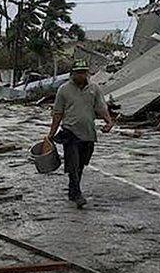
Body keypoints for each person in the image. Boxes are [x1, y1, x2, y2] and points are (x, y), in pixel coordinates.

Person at [46, 60, 115, 209]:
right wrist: (51, 133)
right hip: (70, 132)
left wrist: (108, 122)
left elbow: (101, 107)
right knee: (73, 163)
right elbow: (58, 113)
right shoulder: (63, 90)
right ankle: (77, 194)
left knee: (81, 164)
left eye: (84, 72)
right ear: (73, 74)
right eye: (79, 72)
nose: (82, 75)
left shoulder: (94, 89)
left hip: (88, 132)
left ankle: (73, 190)